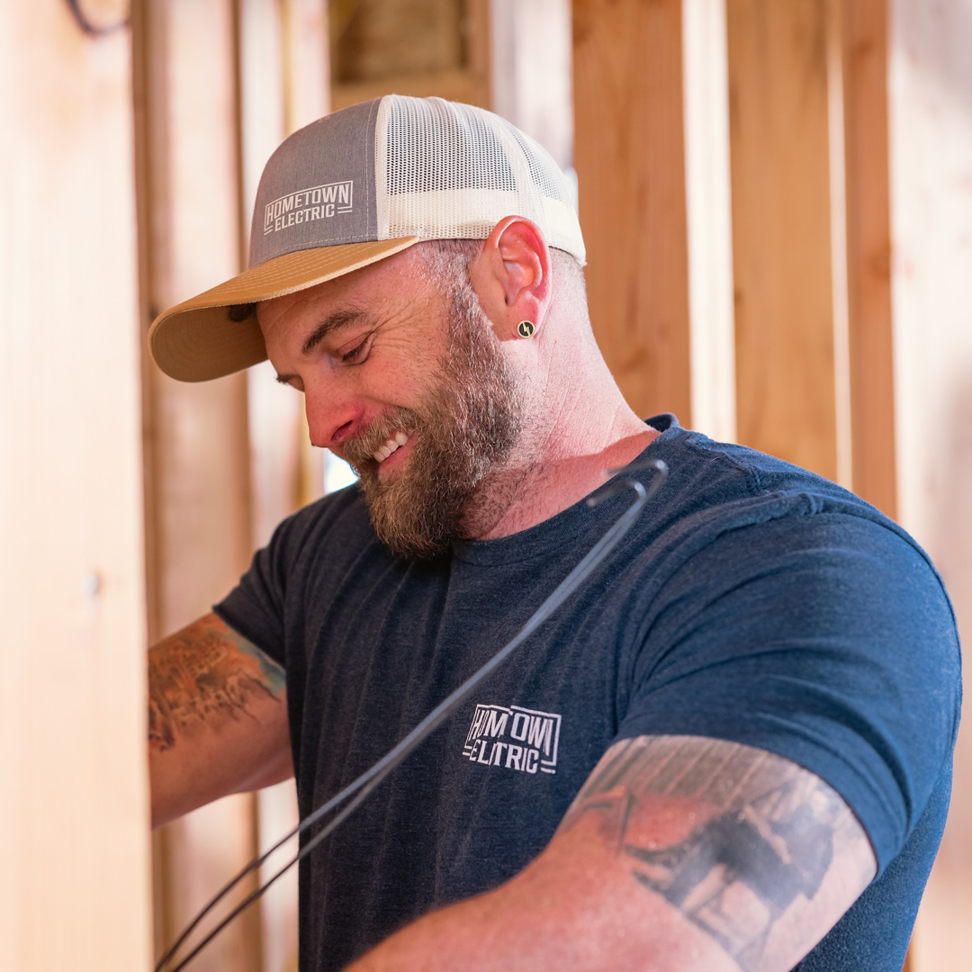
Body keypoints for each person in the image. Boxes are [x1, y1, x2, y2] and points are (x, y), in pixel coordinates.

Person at [147, 95, 961, 972]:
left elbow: (626, 951)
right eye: (296, 380)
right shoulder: (330, 561)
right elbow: (82, 765)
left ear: (516, 278)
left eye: (349, 348)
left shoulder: (803, 574)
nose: (322, 423)